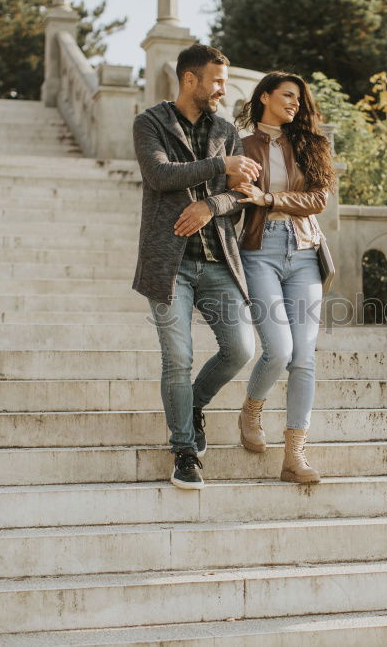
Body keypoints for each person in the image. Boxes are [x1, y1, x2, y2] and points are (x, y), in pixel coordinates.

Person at [132, 44, 262, 490]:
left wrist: (210, 204)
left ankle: (193, 406)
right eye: (218, 81)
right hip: (168, 264)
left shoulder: (226, 129)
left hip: (217, 260)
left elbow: (240, 195)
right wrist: (219, 165)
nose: (224, 89)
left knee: (240, 348)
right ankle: (184, 451)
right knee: (178, 360)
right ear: (191, 80)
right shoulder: (149, 123)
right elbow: (160, 176)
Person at [232, 72, 335, 484]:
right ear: (265, 97)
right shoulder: (242, 147)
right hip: (261, 251)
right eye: (287, 95)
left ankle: (295, 456)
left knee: (304, 357)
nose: (295, 103)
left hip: (305, 251)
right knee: (278, 348)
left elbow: (319, 199)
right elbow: (235, 195)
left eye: (299, 98)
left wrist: (271, 198)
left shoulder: (309, 144)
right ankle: (252, 407)